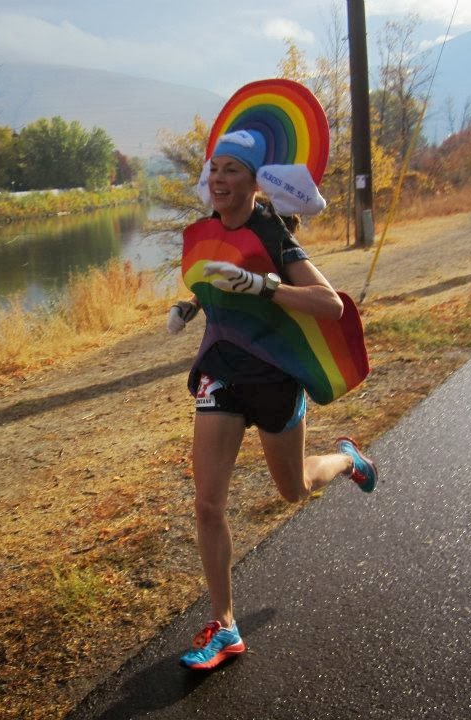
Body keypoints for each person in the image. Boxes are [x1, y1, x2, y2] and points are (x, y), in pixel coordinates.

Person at [167, 128, 377, 671]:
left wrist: (262, 286)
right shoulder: (208, 231)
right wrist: (192, 305)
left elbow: (329, 305)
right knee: (207, 503)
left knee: (293, 490)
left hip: (276, 378)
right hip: (221, 373)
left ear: (256, 182)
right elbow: (214, 278)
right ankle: (226, 624)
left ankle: (347, 458)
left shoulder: (273, 233)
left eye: (232, 170)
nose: (219, 179)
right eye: (214, 169)